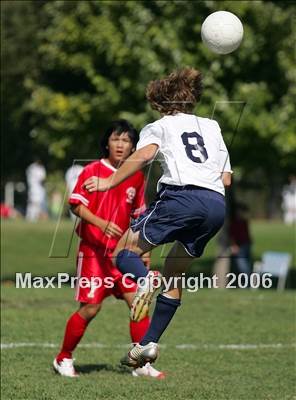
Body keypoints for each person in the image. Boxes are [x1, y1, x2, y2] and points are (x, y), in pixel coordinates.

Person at [83, 68, 232, 367]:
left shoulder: (159, 126)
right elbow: (225, 178)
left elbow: (144, 156)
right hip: (216, 205)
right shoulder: (212, 126)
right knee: (175, 273)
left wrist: (109, 182)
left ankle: (145, 280)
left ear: (160, 101)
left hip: (181, 198)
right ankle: (147, 344)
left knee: (124, 250)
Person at [53, 120, 164, 379]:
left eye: (126, 141)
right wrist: (102, 224)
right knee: (91, 308)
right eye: (116, 139)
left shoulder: (135, 176)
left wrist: (144, 249)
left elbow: (139, 215)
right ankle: (63, 358)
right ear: (107, 142)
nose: (120, 145)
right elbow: (75, 205)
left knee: (139, 303)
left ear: (133, 147)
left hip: (123, 254)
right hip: (93, 253)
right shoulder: (92, 170)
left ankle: (141, 364)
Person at [229, 202, 252, 281]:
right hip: (239, 246)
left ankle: (247, 283)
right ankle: (245, 283)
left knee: (246, 265)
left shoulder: (244, 221)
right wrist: (234, 245)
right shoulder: (234, 223)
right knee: (242, 266)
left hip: (246, 245)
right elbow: (232, 235)